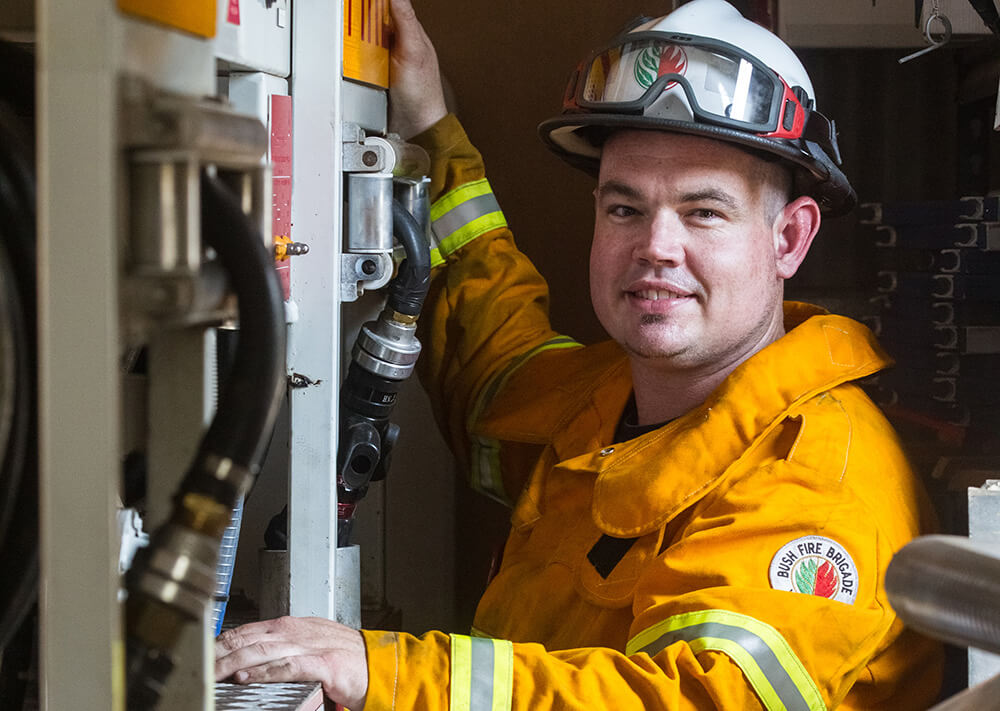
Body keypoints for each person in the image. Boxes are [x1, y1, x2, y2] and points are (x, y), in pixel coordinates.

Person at [215, 0, 944, 708]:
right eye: (625, 208)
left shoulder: (817, 483)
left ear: (788, 239)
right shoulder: (610, 402)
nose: (656, 247)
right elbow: (493, 367)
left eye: (703, 211)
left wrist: (389, 671)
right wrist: (430, 129)